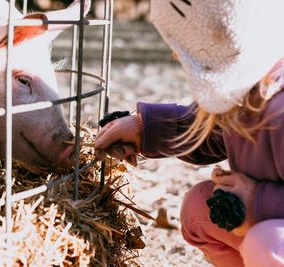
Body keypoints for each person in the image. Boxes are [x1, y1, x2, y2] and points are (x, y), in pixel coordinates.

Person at [94, 1, 284, 266]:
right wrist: (145, 129)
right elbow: (210, 132)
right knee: (200, 208)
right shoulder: (250, 89)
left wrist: (259, 204)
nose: (175, 56)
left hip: (272, 230)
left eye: (187, 47)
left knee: (267, 241)